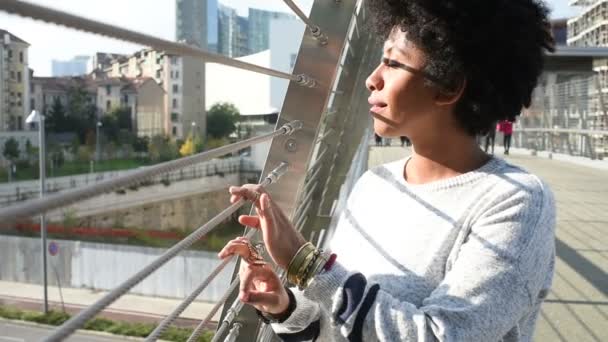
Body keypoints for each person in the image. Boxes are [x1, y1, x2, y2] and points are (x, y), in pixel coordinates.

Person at [219, 0, 556, 341]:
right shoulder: (374, 185)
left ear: (449, 84)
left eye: (393, 63)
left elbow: (446, 335)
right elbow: (340, 326)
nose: (371, 79)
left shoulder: (516, 201)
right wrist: (287, 307)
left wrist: (305, 262)